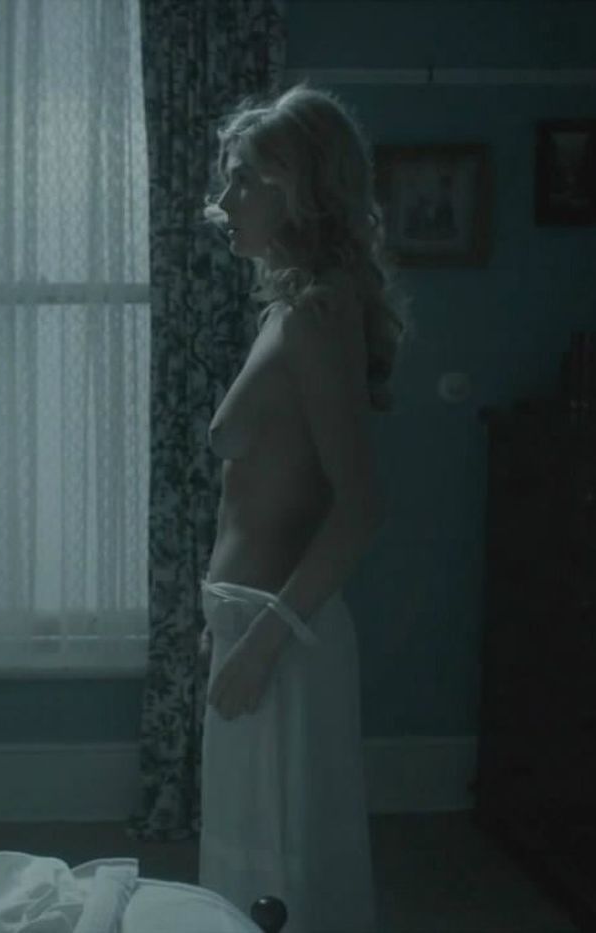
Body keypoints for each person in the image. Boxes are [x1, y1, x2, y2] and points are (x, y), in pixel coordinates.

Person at [198, 81, 410, 933]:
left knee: (280, 881)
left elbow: (360, 508)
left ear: (302, 188)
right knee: (248, 871)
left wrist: (261, 642)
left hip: (280, 640)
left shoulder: (318, 314)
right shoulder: (290, 308)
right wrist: (225, 624)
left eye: (244, 179)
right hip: (253, 625)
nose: (224, 201)